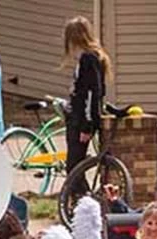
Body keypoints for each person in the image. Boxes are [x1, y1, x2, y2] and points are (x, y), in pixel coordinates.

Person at [64, 16, 108, 173]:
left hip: (81, 120)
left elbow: (91, 92)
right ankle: (79, 195)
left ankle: (80, 195)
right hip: (78, 116)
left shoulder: (88, 58)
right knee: (75, 164)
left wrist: (87, 126)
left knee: (74, 166)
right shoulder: (92, 56)